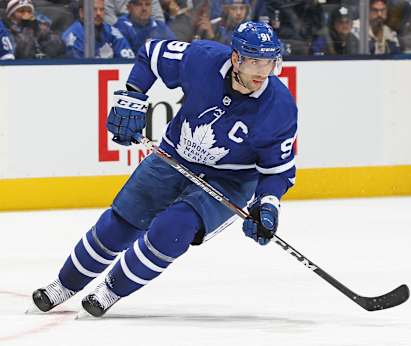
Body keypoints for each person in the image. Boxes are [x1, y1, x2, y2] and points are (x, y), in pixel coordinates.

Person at [31, 21, 297, 318]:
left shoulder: (280, 107)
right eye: (255, 62)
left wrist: (268, 205)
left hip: (229, 179)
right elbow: (150, 53)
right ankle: (63, 284)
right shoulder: (203, 59)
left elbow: (278, 170)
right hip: (174, 156)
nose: (263, 72)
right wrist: (132, 96)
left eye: (269, 62)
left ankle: (111, 290)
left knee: (173, 228)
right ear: (236, 58)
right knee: (118, 226)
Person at [62, 0, 135, 58]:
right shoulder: (72, 36)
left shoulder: (112, 32)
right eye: (94, 9)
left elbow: (127, 61)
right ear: (81, 12)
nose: (99, 13)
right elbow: (79, 68)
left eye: (102, 9)